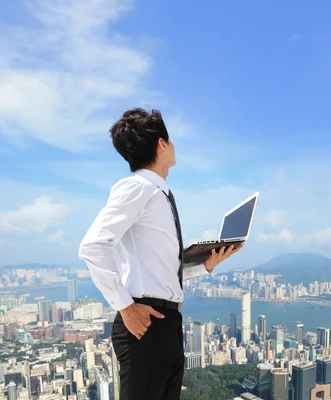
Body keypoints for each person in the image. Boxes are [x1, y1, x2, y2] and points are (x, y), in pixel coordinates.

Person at [78, 108, 241, 400]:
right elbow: (93, 246)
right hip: (145, 325)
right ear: (161, 143)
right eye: (171, 140)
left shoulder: (159, 193)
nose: (174, 145)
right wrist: (126, 307)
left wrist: (205, 264)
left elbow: (160, 269)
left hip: (166, 324)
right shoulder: (137, 187)